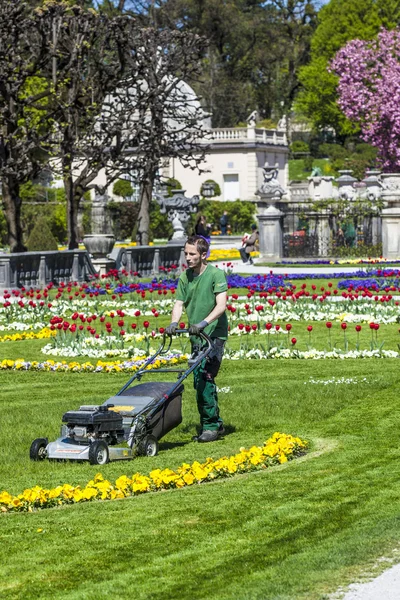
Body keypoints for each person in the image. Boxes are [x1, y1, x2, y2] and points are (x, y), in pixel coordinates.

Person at [165, 235, 228, 443]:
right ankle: (214, 424)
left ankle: (210, 426)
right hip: (196, 335)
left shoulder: (215, 274)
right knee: (197, 379)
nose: (188, 258)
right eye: (186, 254)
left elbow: (221, 305)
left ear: (203, 255)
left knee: (206, 376)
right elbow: (179, 303)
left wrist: (203, 322)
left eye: (192, 254)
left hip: (214, 334)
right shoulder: (185, 277)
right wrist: (174, 323)